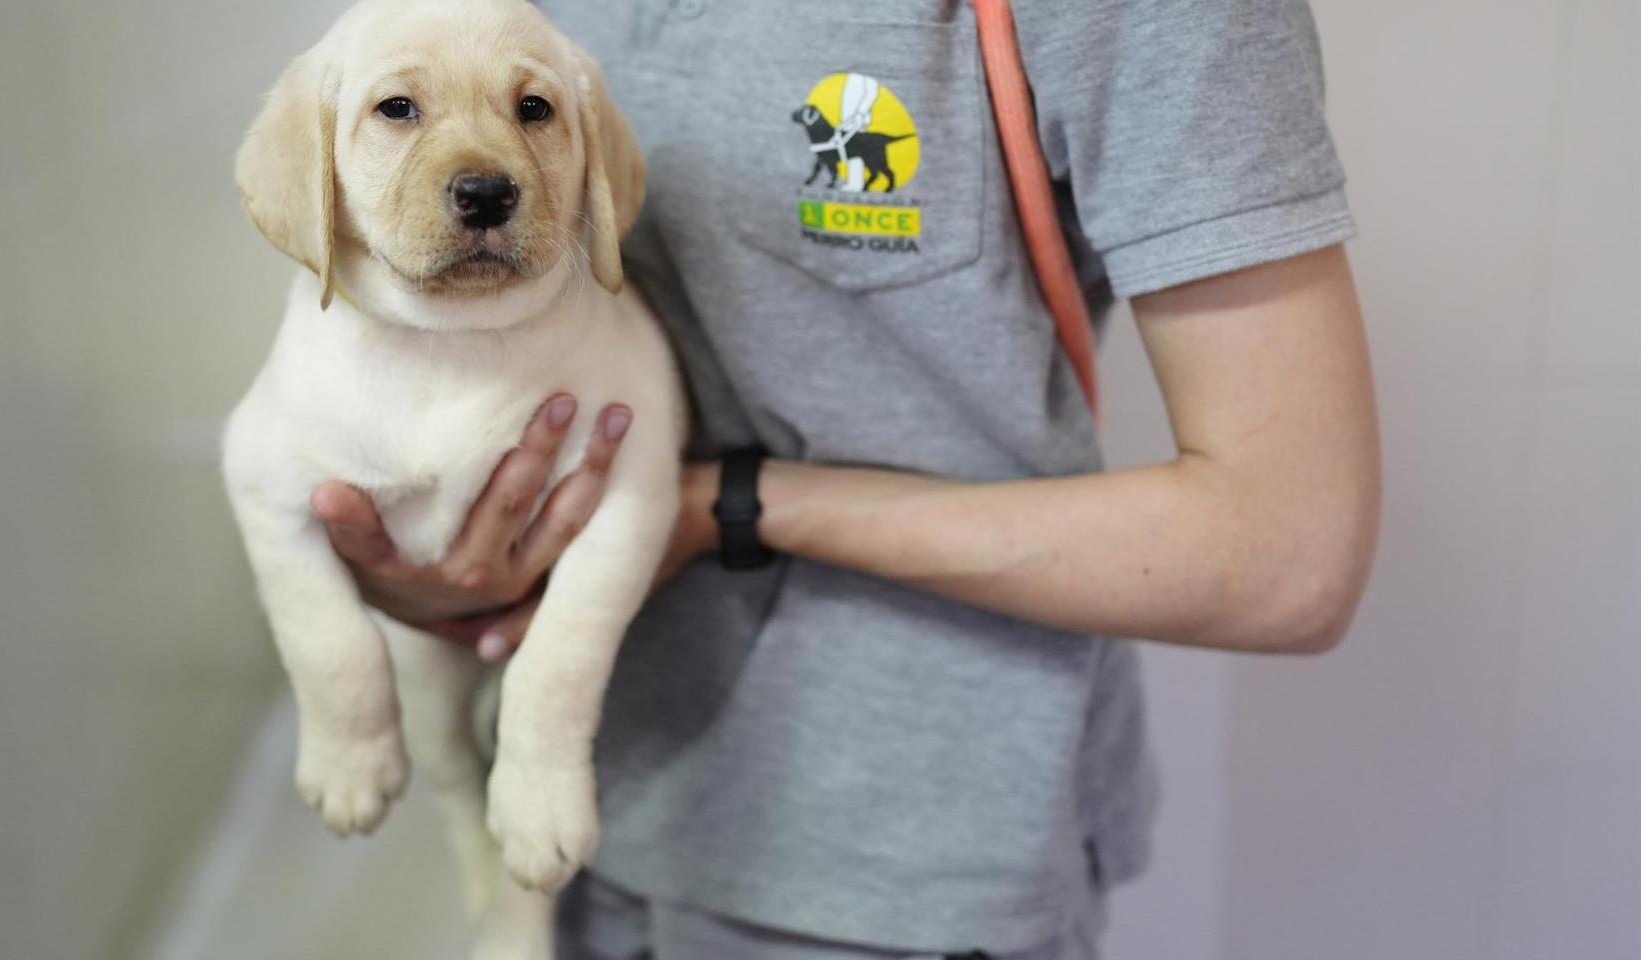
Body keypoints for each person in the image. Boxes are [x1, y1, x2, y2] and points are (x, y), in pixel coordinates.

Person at [311, 1, 1381, 957]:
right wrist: (427, 561)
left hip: (892, 876)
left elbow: (1283, 552)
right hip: (570, 829)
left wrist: (722, 507)